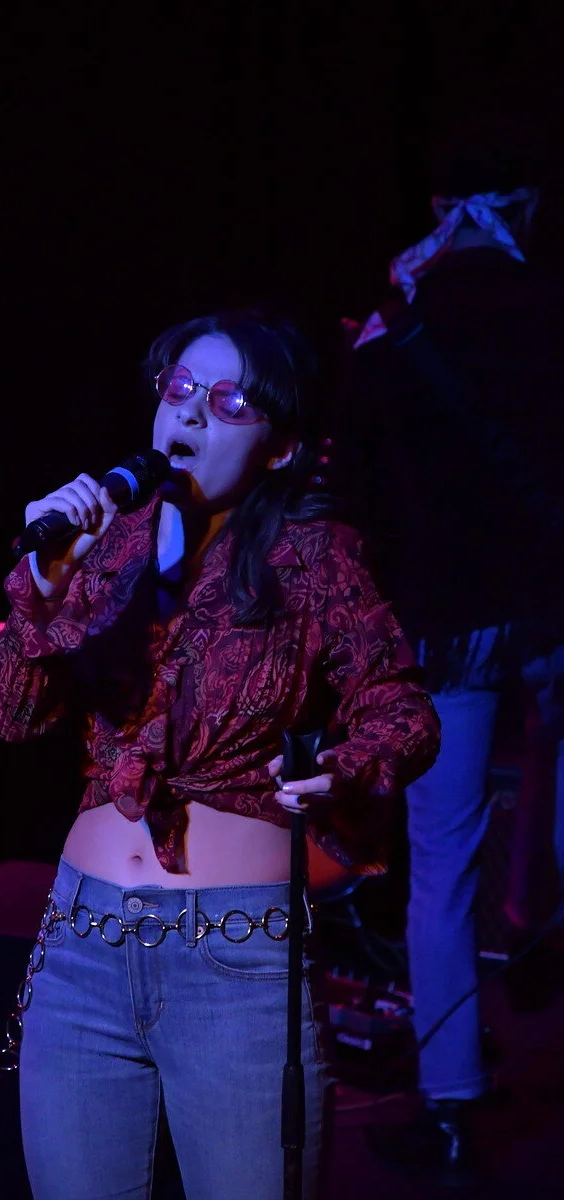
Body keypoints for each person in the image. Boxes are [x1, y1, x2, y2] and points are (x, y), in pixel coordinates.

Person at [0, 307, 441, 1200]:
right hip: (81, 943)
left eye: (229, 402)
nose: (189, 411)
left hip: (236, 959)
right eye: (180, 389)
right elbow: (9, 714)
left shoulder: (315, 559)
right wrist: (42, 585)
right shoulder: (103, 547)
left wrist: (342, 766)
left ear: (280, 447)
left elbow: (402, 709)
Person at [333, 115, 564, 1184]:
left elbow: (355, 495)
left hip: (446, 626)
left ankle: (453, 1106)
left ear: (437, 209)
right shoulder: (553, 310)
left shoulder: (393, 330)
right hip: (555, 610)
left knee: (442, 866)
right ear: (528, 202)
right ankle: (538, 936)